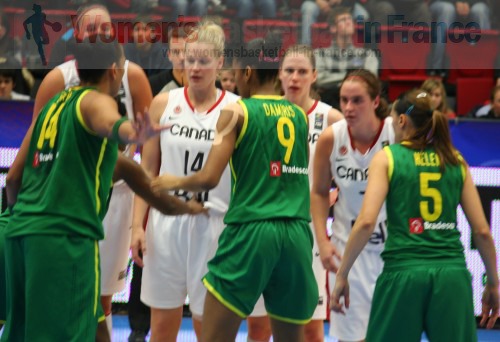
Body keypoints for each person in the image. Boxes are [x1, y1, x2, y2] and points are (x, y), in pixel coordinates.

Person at [150, 33, 319, 342]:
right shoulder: (299, 116)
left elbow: (209, 177)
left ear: (248, 73)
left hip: (252, 230)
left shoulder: (236, 111)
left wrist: (173, 181)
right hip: (296, 234)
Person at [1, 38, 164, 342]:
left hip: (20, 230)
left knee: (26, 328)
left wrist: (15, 217)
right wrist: (133, 131)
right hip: (67, 233)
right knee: (82, 321)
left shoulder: (52, 103)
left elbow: (12, 178)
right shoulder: (95, 101)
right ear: (115, 70)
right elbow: (113, 125)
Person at [331, 89, 499, 341]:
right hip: (451, 276)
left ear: (401, 121)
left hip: (403, 275)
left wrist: (342, 275)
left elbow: (366, 222)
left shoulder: (387, 158)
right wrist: (494, 283)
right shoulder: (455, 160)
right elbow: (483, 232)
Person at [130, 21, 239, 342]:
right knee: (162, 329)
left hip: (214, 224)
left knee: (211, 330)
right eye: (189, 60)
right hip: (165, 225)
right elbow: (146, 171)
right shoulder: (164, 104)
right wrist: (137, 225)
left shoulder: (236, 110)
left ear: (220, 62)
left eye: (203, 61)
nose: (194, 68)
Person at [247, 44, 343, 342]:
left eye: (302, 71)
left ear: (314, 75)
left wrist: (335, 191)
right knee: (259, 328)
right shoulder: (262, 111)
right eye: (289, 70)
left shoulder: (331, 119)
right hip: (266, 226)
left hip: (309, 232)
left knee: (312, 329)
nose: (295, 78)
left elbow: (357, 168)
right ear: (279, 74)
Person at [311, 69, 394, 342]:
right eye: (344, 100)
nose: (348, 107)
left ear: (375, 102)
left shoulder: (396, 133)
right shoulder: (331, 138)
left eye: (357, 100)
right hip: (348, 254)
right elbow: (320, 192)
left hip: (392, 252)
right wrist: (323, 242)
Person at [314, 7, 379, 108]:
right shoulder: (319, 54)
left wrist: (337, 81)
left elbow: (370, 80)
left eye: (350, 19)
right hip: (329, 104)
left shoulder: (368, 54)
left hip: (359, 104)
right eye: (343, 20)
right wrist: (354, 77)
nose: (348, 22)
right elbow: (319, 79)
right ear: (333, 28)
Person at [428, 0, 491, 75]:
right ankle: (437, 68)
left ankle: (483, 69)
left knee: (480, 11)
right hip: (442, 2)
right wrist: (455, 2)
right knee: (447, 10)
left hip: (475, 3)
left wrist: (469, 3)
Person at [300, 0, 370, 46]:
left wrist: (340, 1)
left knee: (363, 16)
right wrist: (318, 1)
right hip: (316, 3)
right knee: (309, 9)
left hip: (343, 3)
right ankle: (306, 47)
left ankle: (357, 47)